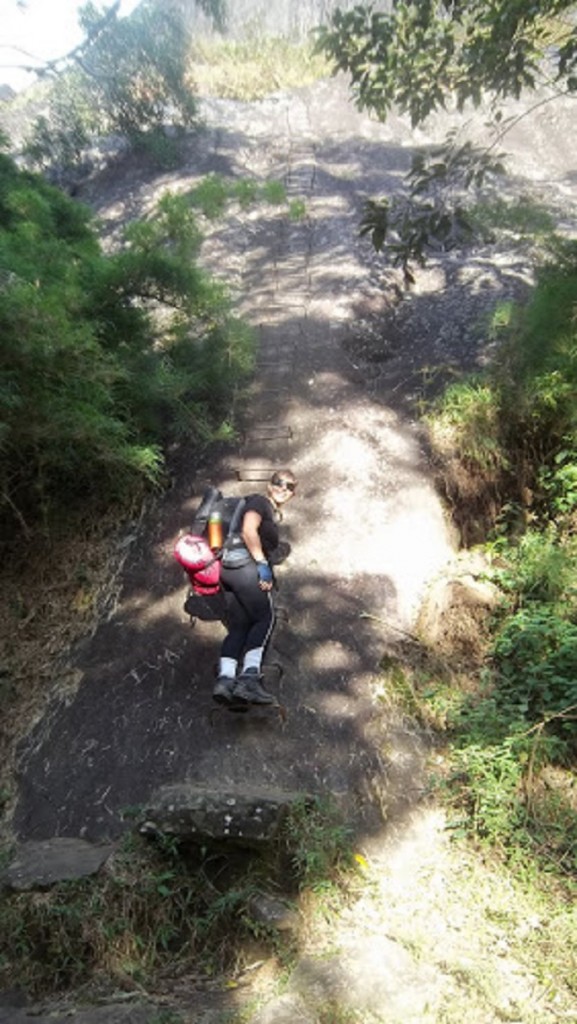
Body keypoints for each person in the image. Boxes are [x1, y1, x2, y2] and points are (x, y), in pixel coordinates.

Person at [212, 469, 297, 706]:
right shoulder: (260, 502)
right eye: (279, 482)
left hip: (228, 569)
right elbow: (249, 530)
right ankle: (249, 678)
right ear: (269, 485)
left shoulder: (261, 505)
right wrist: (262, 564)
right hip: (245, 566)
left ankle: (226, 680)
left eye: (290, 487)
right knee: (266, 619)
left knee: (240, 626)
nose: (284, 488)